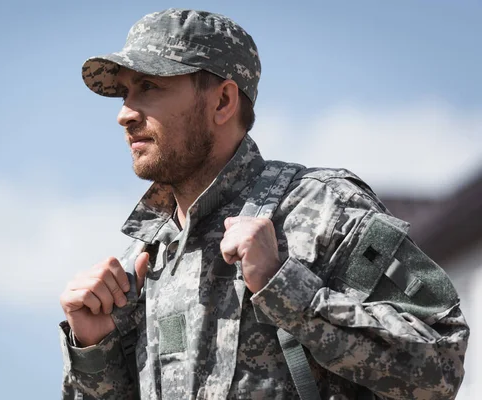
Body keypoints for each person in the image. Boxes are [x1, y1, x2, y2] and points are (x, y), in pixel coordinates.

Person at [59, 8, 469, 400]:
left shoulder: (325, 208)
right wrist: (93, 349)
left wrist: (284, 286)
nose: (125, 114)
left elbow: (440, 367)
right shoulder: (142, 260)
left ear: (222, 102)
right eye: (126, 93)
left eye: (149, 86)